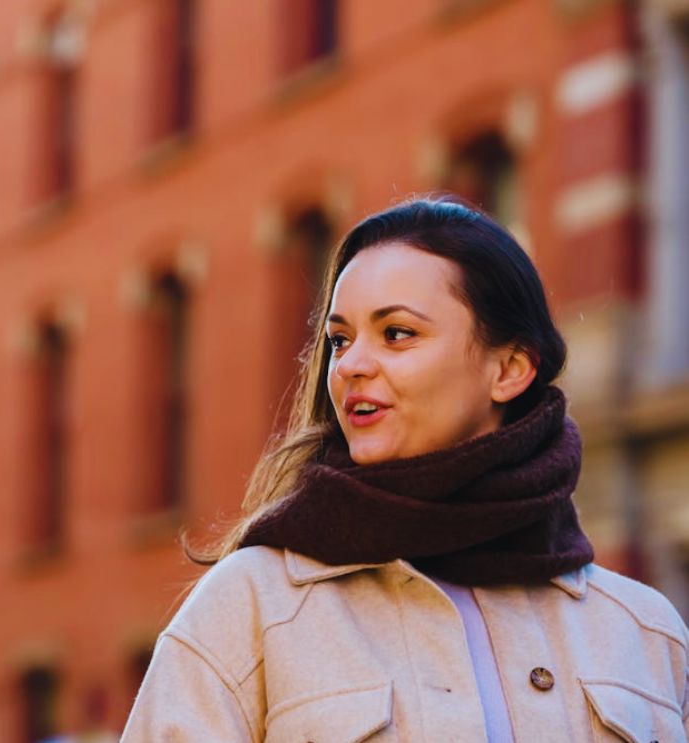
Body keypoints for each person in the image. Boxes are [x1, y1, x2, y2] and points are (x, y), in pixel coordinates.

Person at [122, 197, 689, 741]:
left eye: (397, 334)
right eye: (340, 340)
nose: (350, 365)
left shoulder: (644, 631)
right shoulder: (250, 606)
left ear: (509, 369)